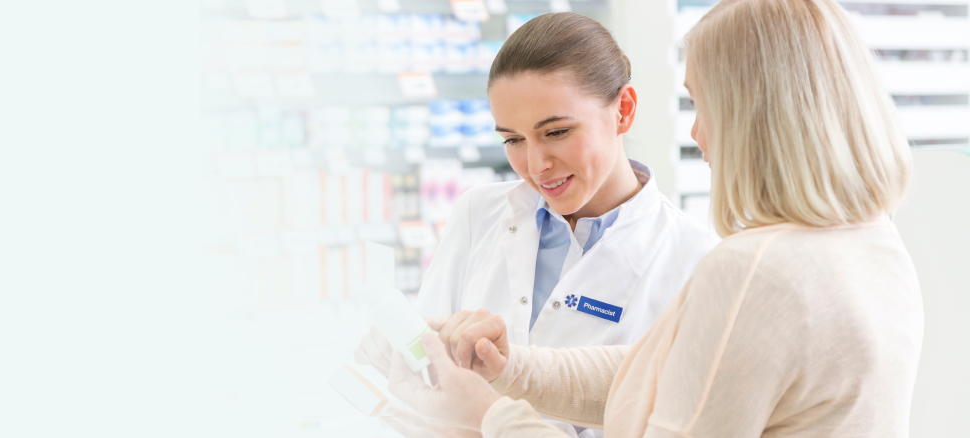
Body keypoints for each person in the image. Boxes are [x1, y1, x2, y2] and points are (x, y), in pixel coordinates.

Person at [383, 0, 923, 436]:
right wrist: (510, 369)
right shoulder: (876, 246)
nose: (698, 135)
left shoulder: (750, 271)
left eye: (703, 106)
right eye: (512, 139)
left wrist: (489, 414)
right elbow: (660, 371)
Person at [353, 12, 717, 438]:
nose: (535, 165)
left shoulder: (695, 260)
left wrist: (489, 417)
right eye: (512, 140)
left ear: (624, 110)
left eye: (557, 132)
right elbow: (427, 387)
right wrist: (401, 355)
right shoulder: (478, 214)